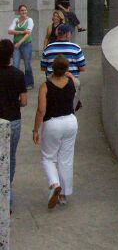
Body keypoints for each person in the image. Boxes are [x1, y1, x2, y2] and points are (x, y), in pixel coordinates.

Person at [33, 54, 78, 208]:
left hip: (52, 123)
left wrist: (35, 130)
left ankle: (54, 184)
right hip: (71, 121)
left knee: (48, 157)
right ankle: (63, 195)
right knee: (66, 159)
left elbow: (41, 110)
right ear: (66, 69)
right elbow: (74, 82)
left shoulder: (45, 86)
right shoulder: (71, 81)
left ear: (52, 68)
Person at [0, 39, 27, 212]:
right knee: (10, 158)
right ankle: (6, 198)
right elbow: (23, 101)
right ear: (11, 55)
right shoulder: (18, 74)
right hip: (13, 120)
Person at [40, 24, 86, 110]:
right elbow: (82, 68)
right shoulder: (76, 48)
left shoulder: (48, 48)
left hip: (52, 83)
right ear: (68, 34)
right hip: (71, 83)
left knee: (53, 108)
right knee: (70, 109)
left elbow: (43, 68)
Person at [8, 3, 35, 89]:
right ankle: (15, 83)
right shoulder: (16, 20)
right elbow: (9, 31)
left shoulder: (29, 20)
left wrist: (19, 42)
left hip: (26, 44)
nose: (24, 12)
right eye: (22, 10)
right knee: (15, 64)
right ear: (19, 12)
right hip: (16, 45)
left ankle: (29, 83)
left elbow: (28, 33)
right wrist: (22, 32)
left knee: (27, 64)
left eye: (25, 10)